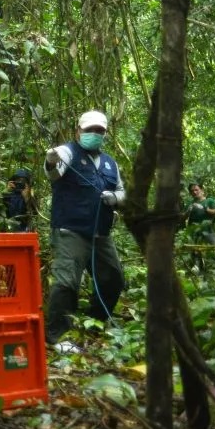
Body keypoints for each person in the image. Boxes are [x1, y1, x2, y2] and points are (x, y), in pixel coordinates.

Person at [43, 110, 127, 353]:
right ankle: (57, 335)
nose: (94, 134)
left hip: (101, 233)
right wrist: (50, 160)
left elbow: (122, 191)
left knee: (113, 278)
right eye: (89, 130)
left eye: (99, 131)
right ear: (78, 131)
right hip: (71, 230)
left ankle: (96, 322)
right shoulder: (68, 151)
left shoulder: (110, 162)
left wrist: (115, 198)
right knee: (67, 281)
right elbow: (54, 171)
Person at [182, 182, 215, 246]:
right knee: (194, 253)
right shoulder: (189, 204)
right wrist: (188, 212)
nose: (194, 192)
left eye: (196, 190)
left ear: (202, 190)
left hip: (208, 231)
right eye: (192, 191)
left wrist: (205, 209)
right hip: (193, 233)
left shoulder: (209, 201)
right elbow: (182, 218)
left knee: (214, 250)